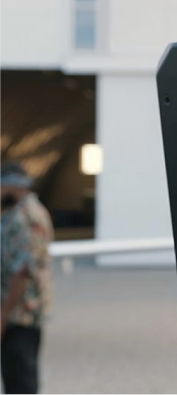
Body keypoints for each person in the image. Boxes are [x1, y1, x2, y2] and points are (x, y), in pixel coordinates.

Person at [1, 162, 54, 394]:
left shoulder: (24, 217)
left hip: (20, 314)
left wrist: (3, 314)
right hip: (22, 312)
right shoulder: (25, 212)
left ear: (13, 186)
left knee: (20, 382)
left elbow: (22, 273)